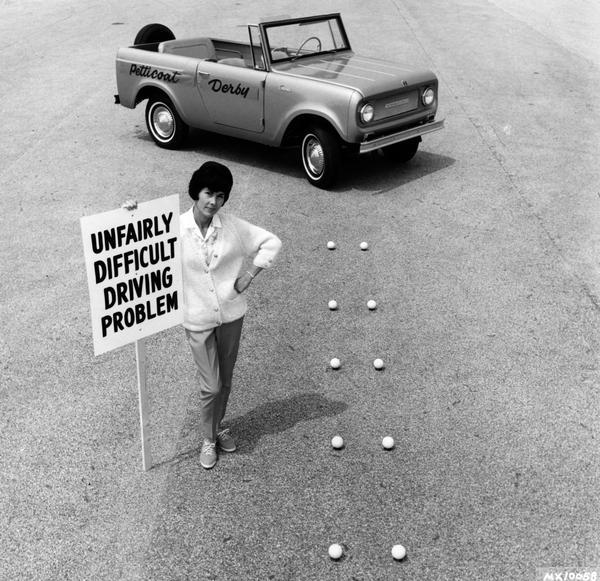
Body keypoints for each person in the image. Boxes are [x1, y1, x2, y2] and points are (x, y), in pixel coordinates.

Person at [180, 161, 282, 469]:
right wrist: (130, 212)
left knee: (225, 382)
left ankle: (217, 426)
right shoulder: (173, 228)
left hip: (231, 316)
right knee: (210, 385)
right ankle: (208, 438)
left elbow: (271, 242)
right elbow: (139, 241)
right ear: (196, 192)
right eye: (208, 193)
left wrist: (249, 276)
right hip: (197, 320)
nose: (213, 202)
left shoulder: (233, 227)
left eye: (220, 196)